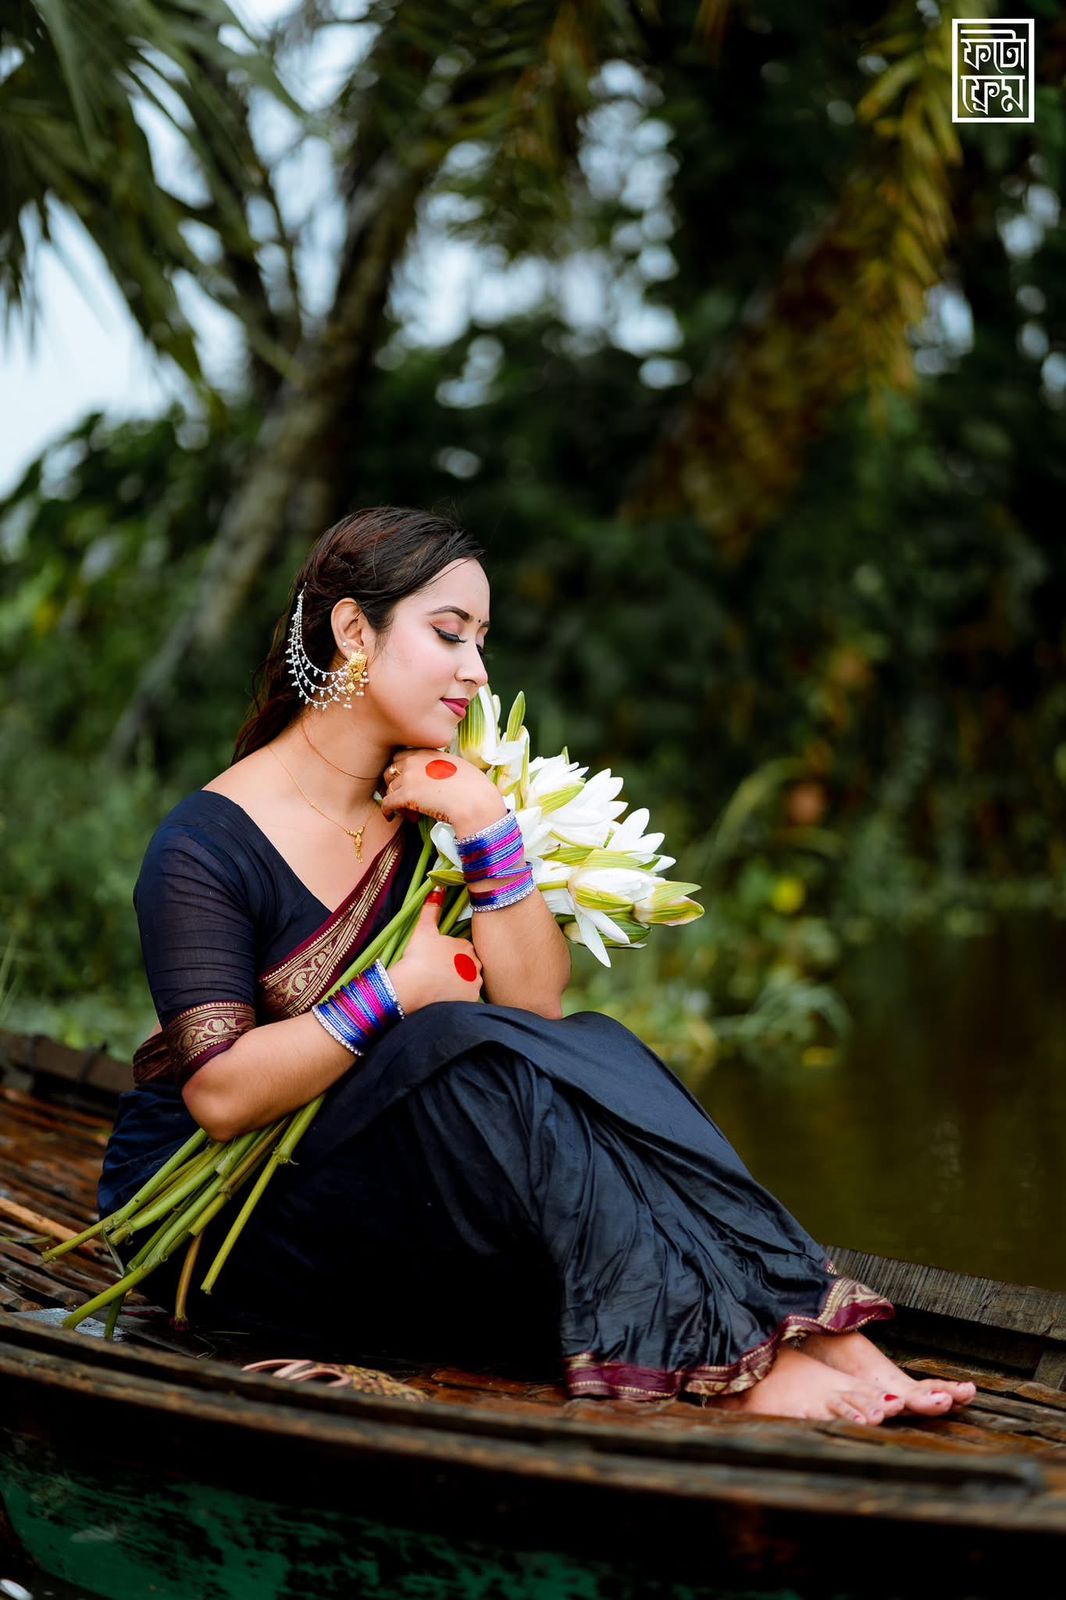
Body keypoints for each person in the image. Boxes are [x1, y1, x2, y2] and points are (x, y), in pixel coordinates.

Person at [98, 507, 975, 1425]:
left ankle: (816, 1326)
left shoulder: (432, 801)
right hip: (222, 1230)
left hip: (385, 1183)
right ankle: (753, 1366)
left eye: (482, 641)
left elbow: (536, 1010)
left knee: (588, 1044)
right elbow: (221, 1097)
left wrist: (483, 825)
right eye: (450, 635)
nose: (477, 672)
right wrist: (393, 991)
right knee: (464, 1047)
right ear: (354, 630)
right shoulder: (204, 845)